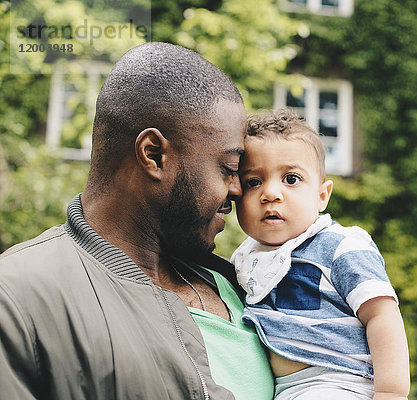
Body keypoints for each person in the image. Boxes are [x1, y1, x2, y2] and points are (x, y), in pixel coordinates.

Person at [0, 42, 274, 400]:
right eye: (229, 168)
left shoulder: (248, 284)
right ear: (154, 155)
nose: (238, 189)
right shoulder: (18, 297)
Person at [231, 108, 411, 400]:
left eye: (291, 179)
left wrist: (391, 392)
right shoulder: (243, 260)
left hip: (339, 382)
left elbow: (382, 315)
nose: (270, 193)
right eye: (254, 182)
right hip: (284, 391)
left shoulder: (341, 245)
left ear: (322, 195)